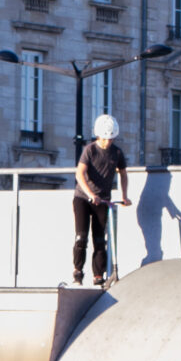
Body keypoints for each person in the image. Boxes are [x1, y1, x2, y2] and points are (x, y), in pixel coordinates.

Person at [71, 114, 131, 286]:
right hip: (83, 198)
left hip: (102, 201)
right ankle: (77, 273)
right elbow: (79, 174)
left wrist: (124, 196)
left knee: (99, 240)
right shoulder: (90, 150)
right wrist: (90, 194)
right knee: (81, 237)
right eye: (105, 139)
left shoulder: (117, 153)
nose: (108, 143)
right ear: (99, 136)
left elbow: (124, 174)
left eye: (111, 139)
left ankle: (98, 275)